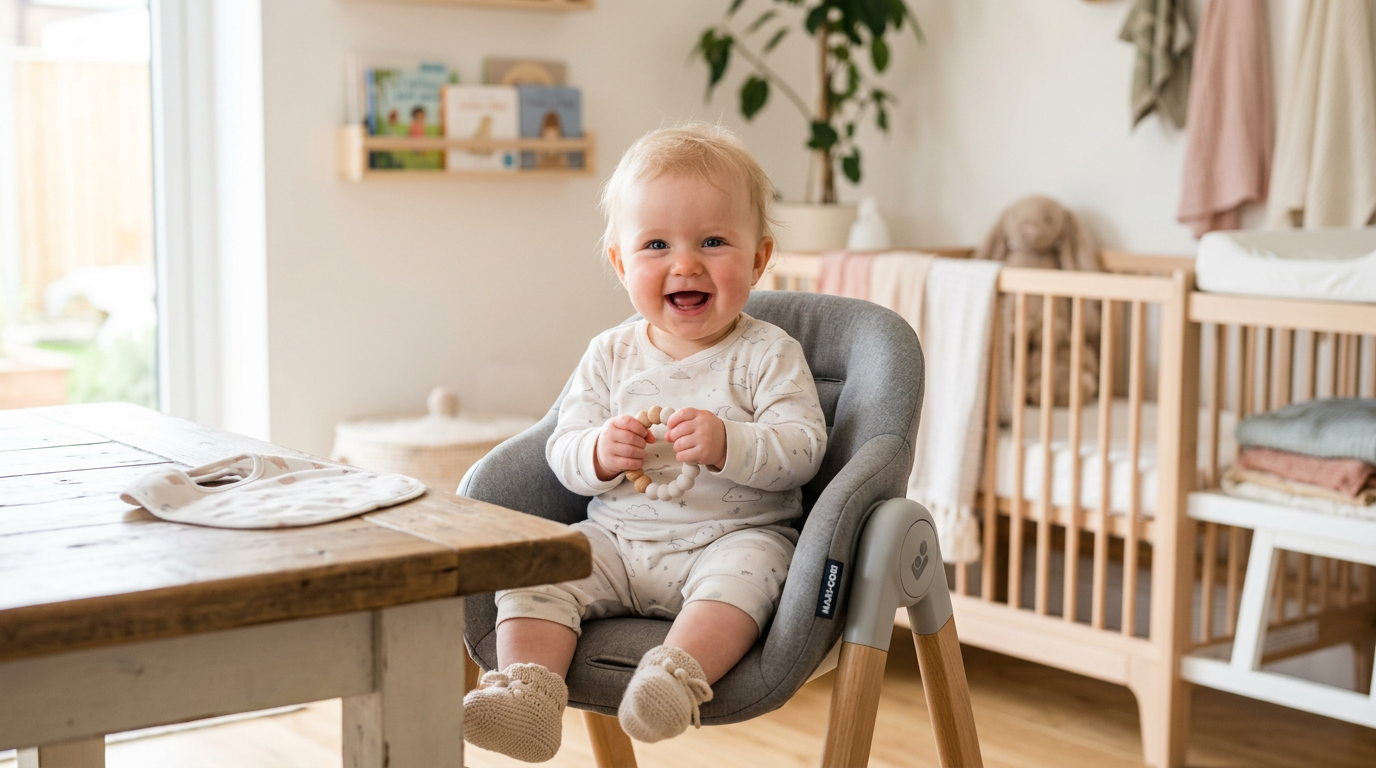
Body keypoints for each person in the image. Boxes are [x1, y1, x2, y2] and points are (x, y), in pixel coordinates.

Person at [462, 123, 828, 763]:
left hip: (727, 539)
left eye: (713, 242)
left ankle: (674, 678)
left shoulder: (769, 353)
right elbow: (563, 449)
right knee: (542, 568)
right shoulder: (610, 354)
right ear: (621, 262)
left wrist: (729, 443)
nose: (685, 263)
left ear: (759, 258)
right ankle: (528, 693)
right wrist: (601, 451)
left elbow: (803, 449)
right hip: (618, 538)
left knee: (748, 578)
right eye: (656, 244)